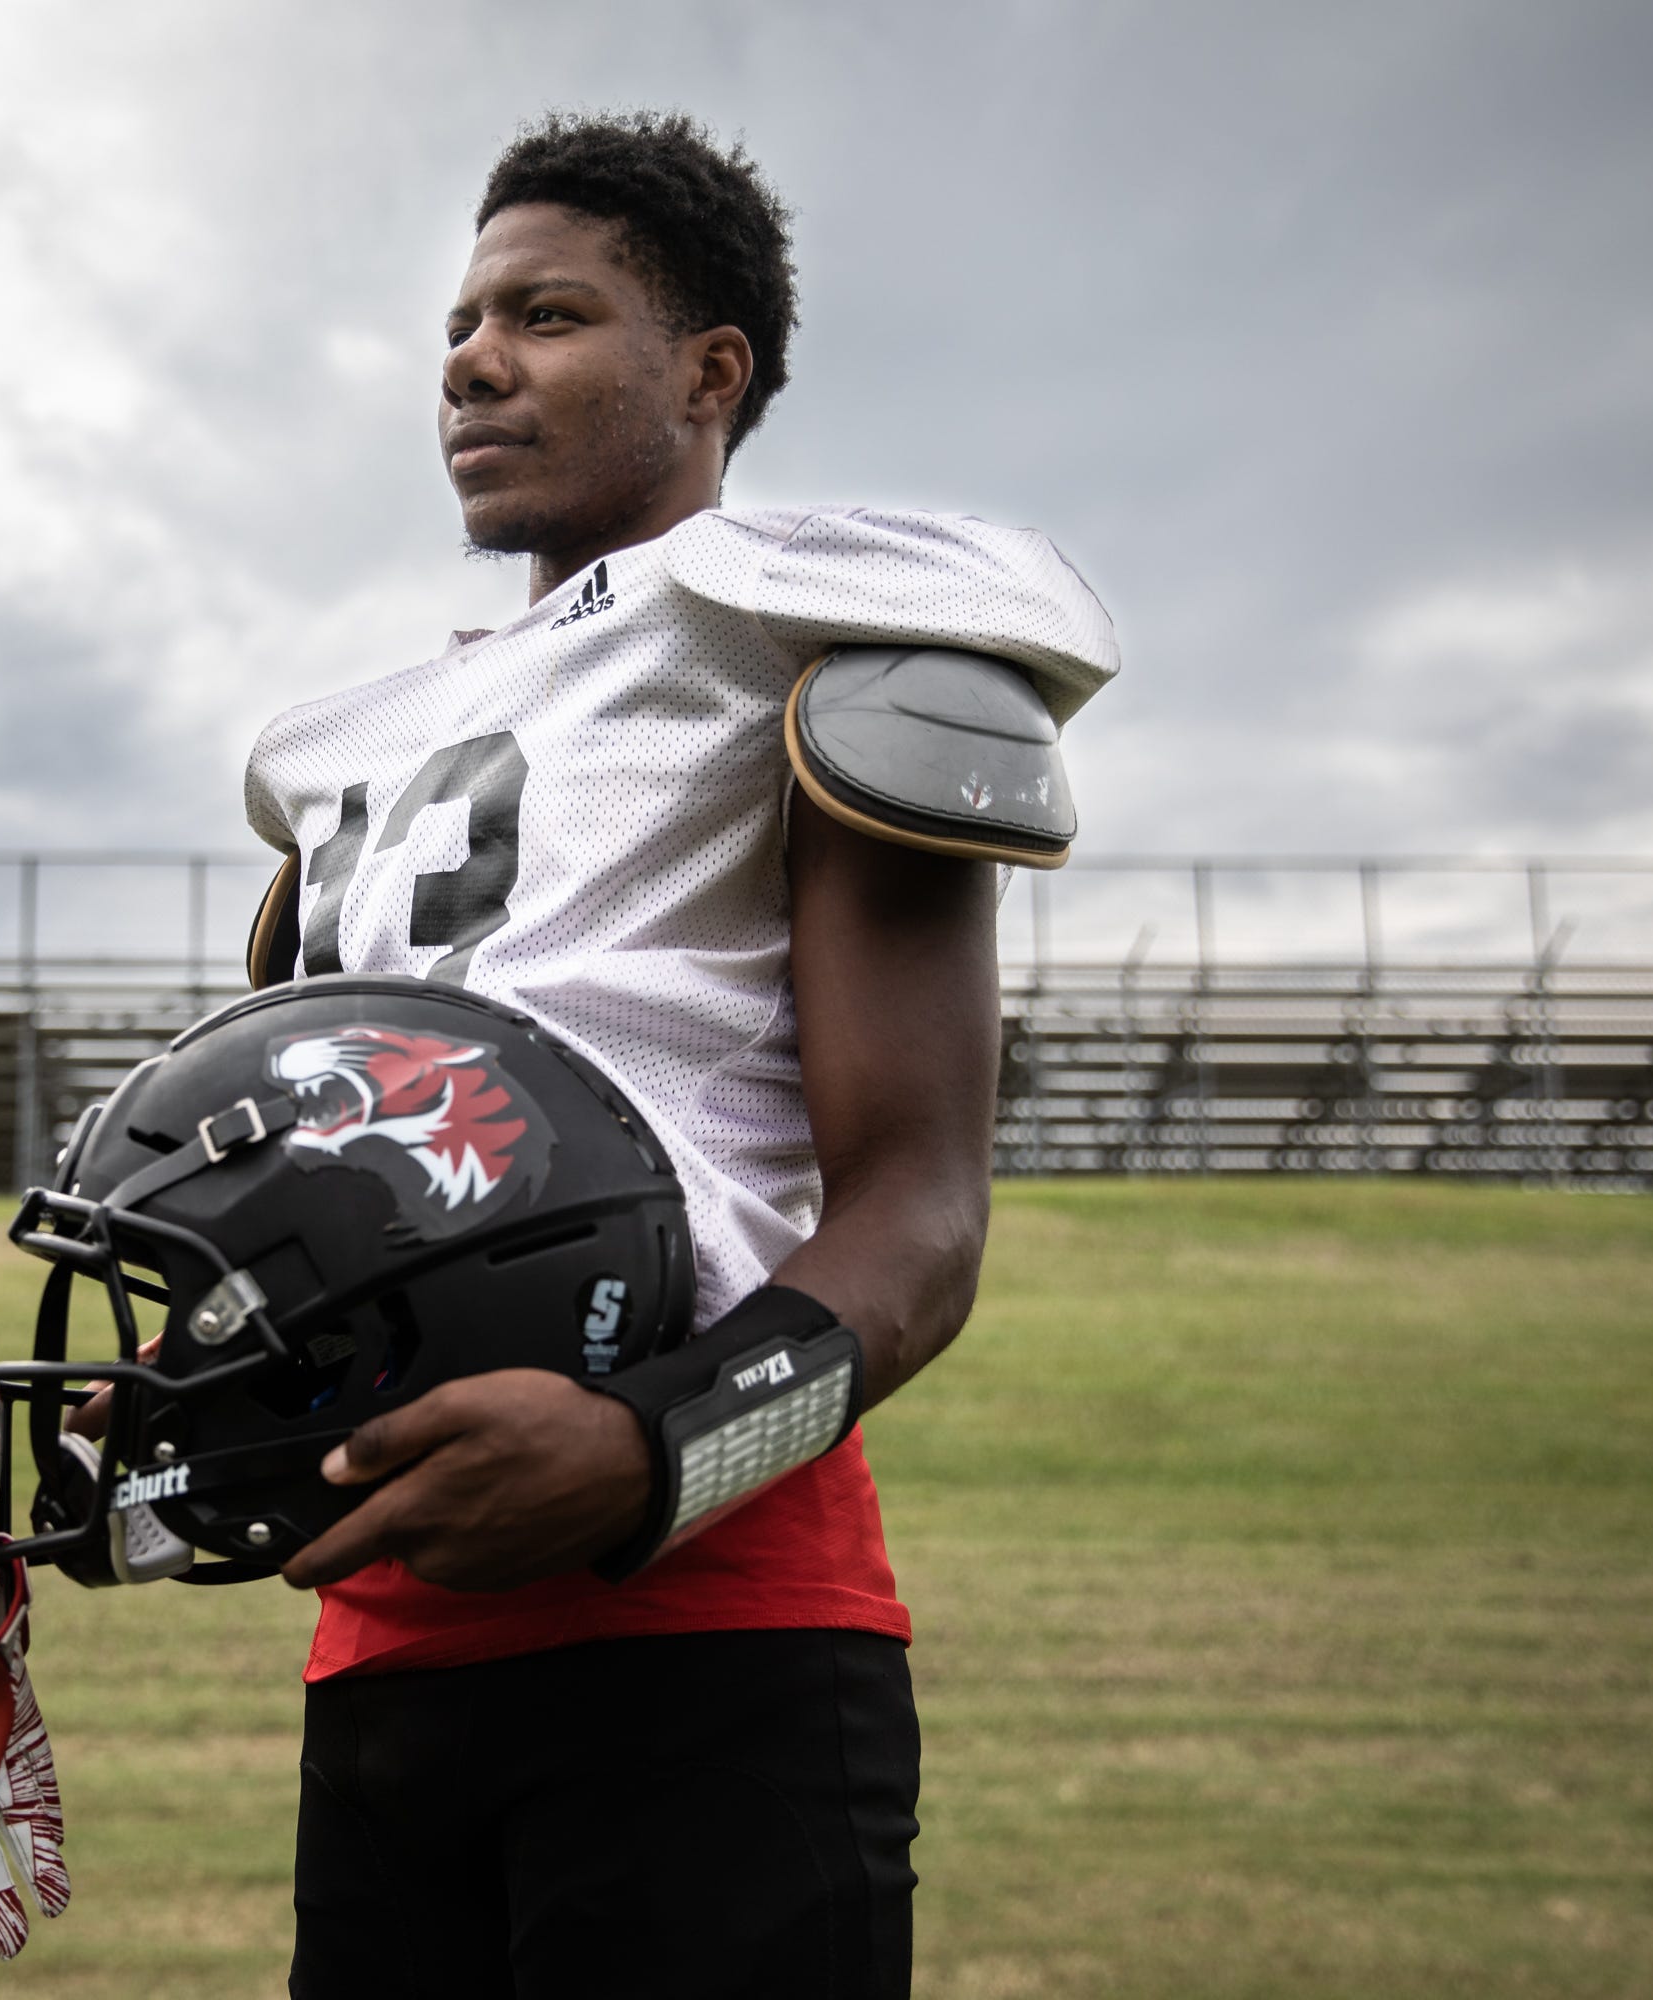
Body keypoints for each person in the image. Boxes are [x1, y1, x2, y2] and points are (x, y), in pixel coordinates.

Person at [235, 113, 1120, 1997]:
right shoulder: (351, 748)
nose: (474, 361)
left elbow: (926, 1226)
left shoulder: (813, 637)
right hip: (385, 1662)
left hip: (715, 1633)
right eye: (462, 325)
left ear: (712, 373)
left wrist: (654, 1453)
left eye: (547, 315)